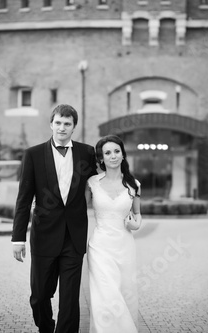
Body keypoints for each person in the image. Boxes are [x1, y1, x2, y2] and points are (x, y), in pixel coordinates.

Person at [12, 104, 97, 333]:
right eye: (58, 122)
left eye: (67, 124)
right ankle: (46, 329)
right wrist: (17, 238)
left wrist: (130, 190)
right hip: (44, 236)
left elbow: (103, 183)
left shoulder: (87, 153)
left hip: (73, 236)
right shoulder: (33, 154)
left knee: (70, 300)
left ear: (74, 127)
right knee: (40, 296)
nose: (62, 127)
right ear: (51, 124)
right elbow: (23, 198)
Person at [85, 134, 142, 333]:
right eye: (107, 153)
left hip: (125, 247)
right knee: (106, 296)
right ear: (101, 158)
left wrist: (134, 225)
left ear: (123, 154)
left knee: (123, 294)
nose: (113, 156)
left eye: (116, 151)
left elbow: (137, 215)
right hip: (99, 247)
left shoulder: (134, 184)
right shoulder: (92, 182)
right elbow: (77, 210)